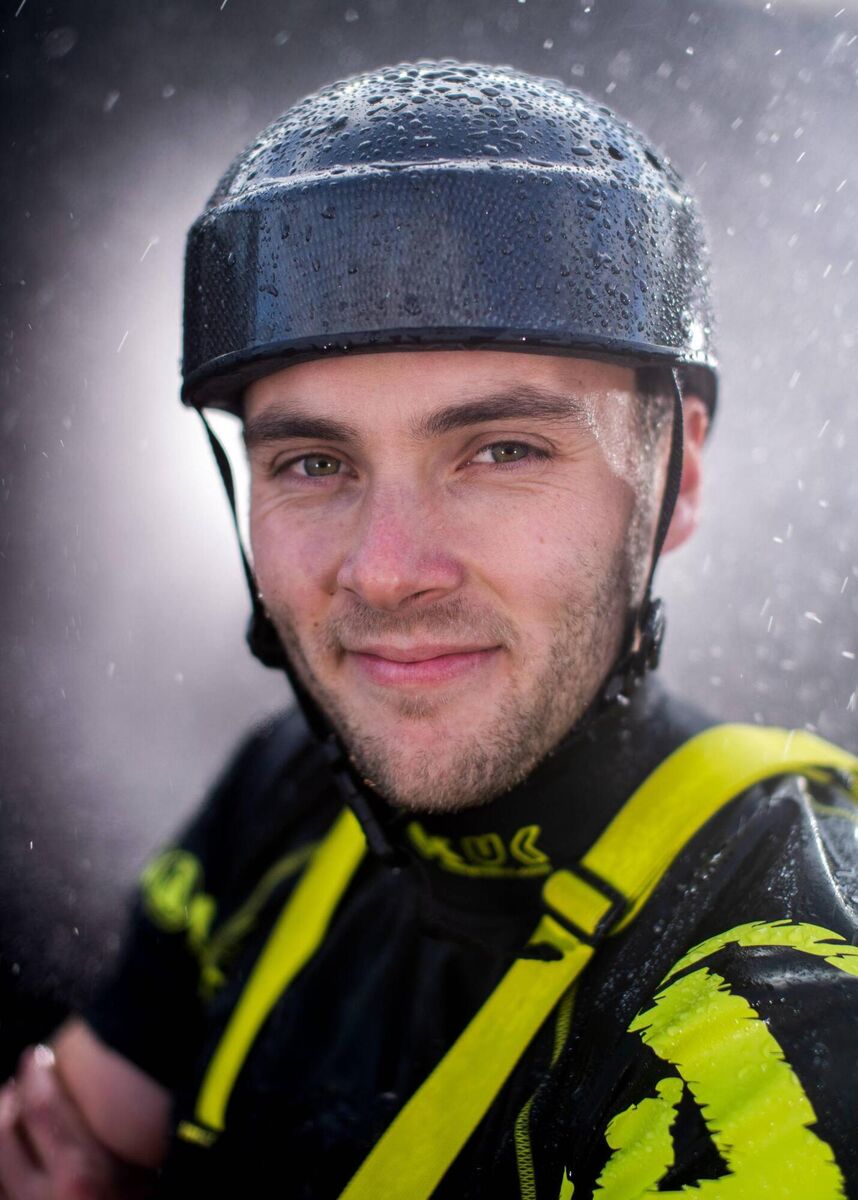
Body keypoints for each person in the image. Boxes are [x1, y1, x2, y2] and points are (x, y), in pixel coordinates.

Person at [0, 59, 856, 1200]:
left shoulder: (779, 1005)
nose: (387, 571)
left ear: (677, 471)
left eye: (502, 450)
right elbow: (49, 1148)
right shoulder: (290, 797)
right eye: (313, 462)